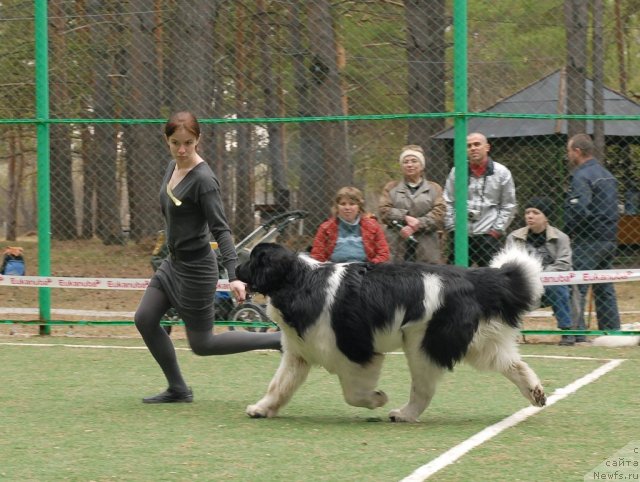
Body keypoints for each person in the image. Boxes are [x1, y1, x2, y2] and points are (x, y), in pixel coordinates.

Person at [134, 111, 281, 404]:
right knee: (145, 319)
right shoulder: (170, 167)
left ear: (198, 140)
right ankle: (178, 388)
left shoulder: (204, 180)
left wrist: (234, 275)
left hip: (197, 269)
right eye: (175, 142)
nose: (182, 150)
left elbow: (221, 230)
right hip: (172, 263)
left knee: (202, 344)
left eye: (188, 142)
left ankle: (278, 340)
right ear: (167, 140)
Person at [564, 133, 620, 337]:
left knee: (577, 285)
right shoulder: (607, 174)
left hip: (588, 239)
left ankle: (577, 332)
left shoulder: (581, 176)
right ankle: (611, 330)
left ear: (577, 152)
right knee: (604, 285)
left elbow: (579, 209)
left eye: (569, 151)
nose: (568, 155)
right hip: (609, 237)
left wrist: (569, 231)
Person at [506, 197, 577, 346]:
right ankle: (508, 333)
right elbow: (509, 263)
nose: (530, 216)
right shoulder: (514, 238)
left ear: (546, 217)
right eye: (527, 212)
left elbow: (564, 263)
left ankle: (567, 331)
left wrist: (541, 274)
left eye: (536, 212)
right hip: (525, 286)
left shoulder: (561, 238)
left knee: (558, 288)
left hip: (550, 285)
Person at [444, 132, 517, 267]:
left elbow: (509, 205)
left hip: (487, 235)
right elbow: (449, 201)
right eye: (469, 146)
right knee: (454, 280)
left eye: (477, 144)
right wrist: (452, 228)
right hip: (461, 234)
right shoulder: (457, 171)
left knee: (493, 279)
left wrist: (495, 231)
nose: (473, 148)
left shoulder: (501, 172)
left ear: (487, 147)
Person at [378, 145, 446, 263]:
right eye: (406, 162)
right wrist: (404, 217)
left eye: (414, 161)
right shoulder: (391, 187)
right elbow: (383, 211)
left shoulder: (434, 188)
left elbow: (439, 214)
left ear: (422, 165)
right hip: (398, 246)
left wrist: (418, 224)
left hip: (426, 247)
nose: (409, 165)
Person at [310, 186, 390, 263]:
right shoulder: (325, 228)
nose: (347, 208)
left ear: (359, 207)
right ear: (337, 207)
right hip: (335, 271)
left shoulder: (373, 226)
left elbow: (383, 254)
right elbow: (317, 256)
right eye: (343, 204)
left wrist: (370, 267)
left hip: (365, 271)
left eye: (352, 204)